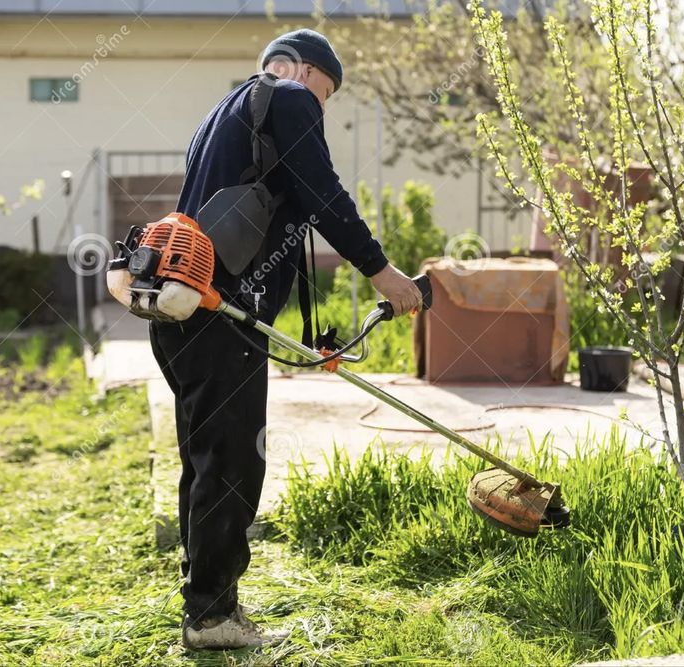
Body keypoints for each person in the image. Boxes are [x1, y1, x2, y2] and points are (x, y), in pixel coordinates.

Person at [148, 28, 421, 650]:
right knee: (236, 462)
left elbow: (289, 198)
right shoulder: (287, 97)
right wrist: (383, 272)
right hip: (222, 313)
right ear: (301, 71)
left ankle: (204, 599)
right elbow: (324, 195)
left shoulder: (223, 113)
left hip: (181, 307)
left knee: (205, 457)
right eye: (325, 94)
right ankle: (212, 616)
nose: (320, 109)